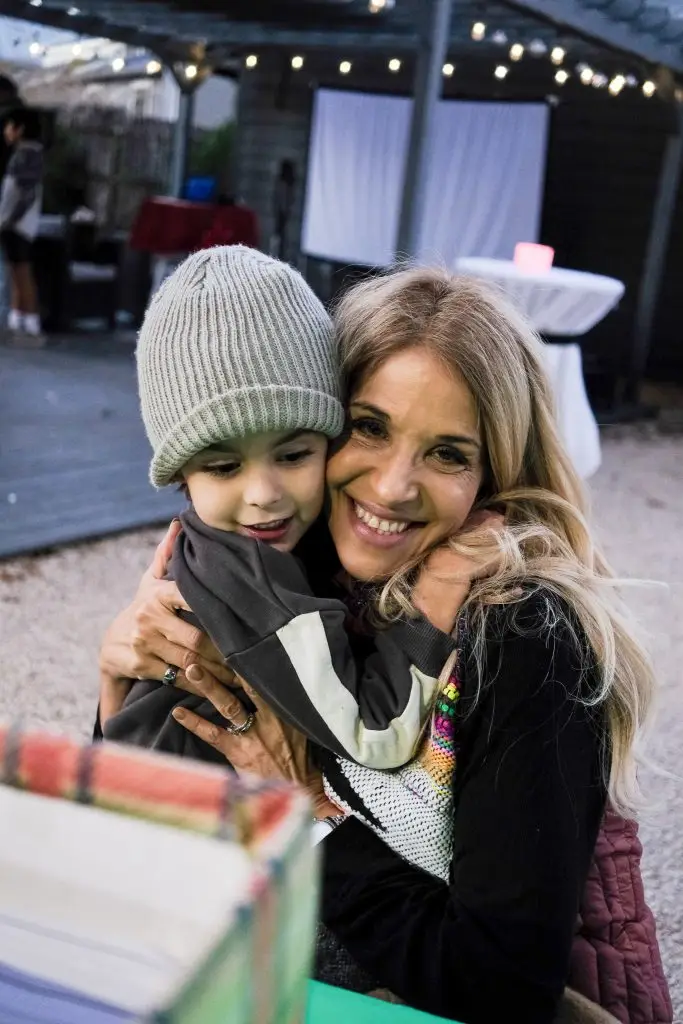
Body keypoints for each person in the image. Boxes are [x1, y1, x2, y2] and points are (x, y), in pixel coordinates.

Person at [99, 268, 671, 1024]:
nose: (393, 487)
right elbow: (130, 811)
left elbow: (504, 989)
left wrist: (308, 809)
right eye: (369, 427)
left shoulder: (523, 635)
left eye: (448, 454)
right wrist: (117, 671)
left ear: (495, 470)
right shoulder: (289, 563)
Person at [103, 245, 475, 777]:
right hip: (184, 815)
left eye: (294, 455)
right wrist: (433, 604)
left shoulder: (223, 548)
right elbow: (375, 735)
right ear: (181, 474)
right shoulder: (255, 579)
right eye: (224, 467)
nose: (264, 493)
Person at [0, 107, 44, 342]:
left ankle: (30, 321)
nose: (6, 131)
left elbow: (25, 194)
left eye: (10, 126)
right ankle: (18, 318)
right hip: (16, 222)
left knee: (22, 272)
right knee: (16, 272)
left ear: (20, 129)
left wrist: (8, 219)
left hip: (18, 224)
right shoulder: (25, 154)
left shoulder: (27, 155)